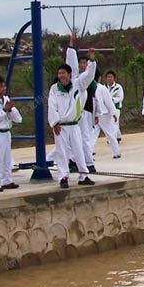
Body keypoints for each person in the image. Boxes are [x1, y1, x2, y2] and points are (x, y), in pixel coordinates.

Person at [47, 48, 97, 189]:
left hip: (74, 125)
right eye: (59, 73)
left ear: (69, 74)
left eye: (63, 73)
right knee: (62, 152)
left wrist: (92, 60)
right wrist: (55, 122)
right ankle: (63, 177)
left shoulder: (77, 84)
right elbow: (51, 106)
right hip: (61, 126)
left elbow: (89, 75)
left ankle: (83, 175)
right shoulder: (54, 89)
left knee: (78, 150)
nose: (61, 76)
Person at [92, 70, 121, 159]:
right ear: (99, 78)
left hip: (94, 114)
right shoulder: (102, 88)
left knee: (92, 134)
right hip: (103, 114)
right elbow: (108, 102)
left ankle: (90, 152)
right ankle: (116, 152)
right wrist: (113, 113)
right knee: (110, 133)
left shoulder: (88, 88)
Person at [105, 70, 124, 143]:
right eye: (108, 77)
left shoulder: (118, 87)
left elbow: (121, 97)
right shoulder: (104, 87)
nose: (109, 78)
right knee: (109, 123)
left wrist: (112, 100)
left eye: (111, 77)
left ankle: (112, 138)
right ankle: (118, 136)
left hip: (116, 108)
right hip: (107, 108)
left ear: (114, 78)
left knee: (114, 123)